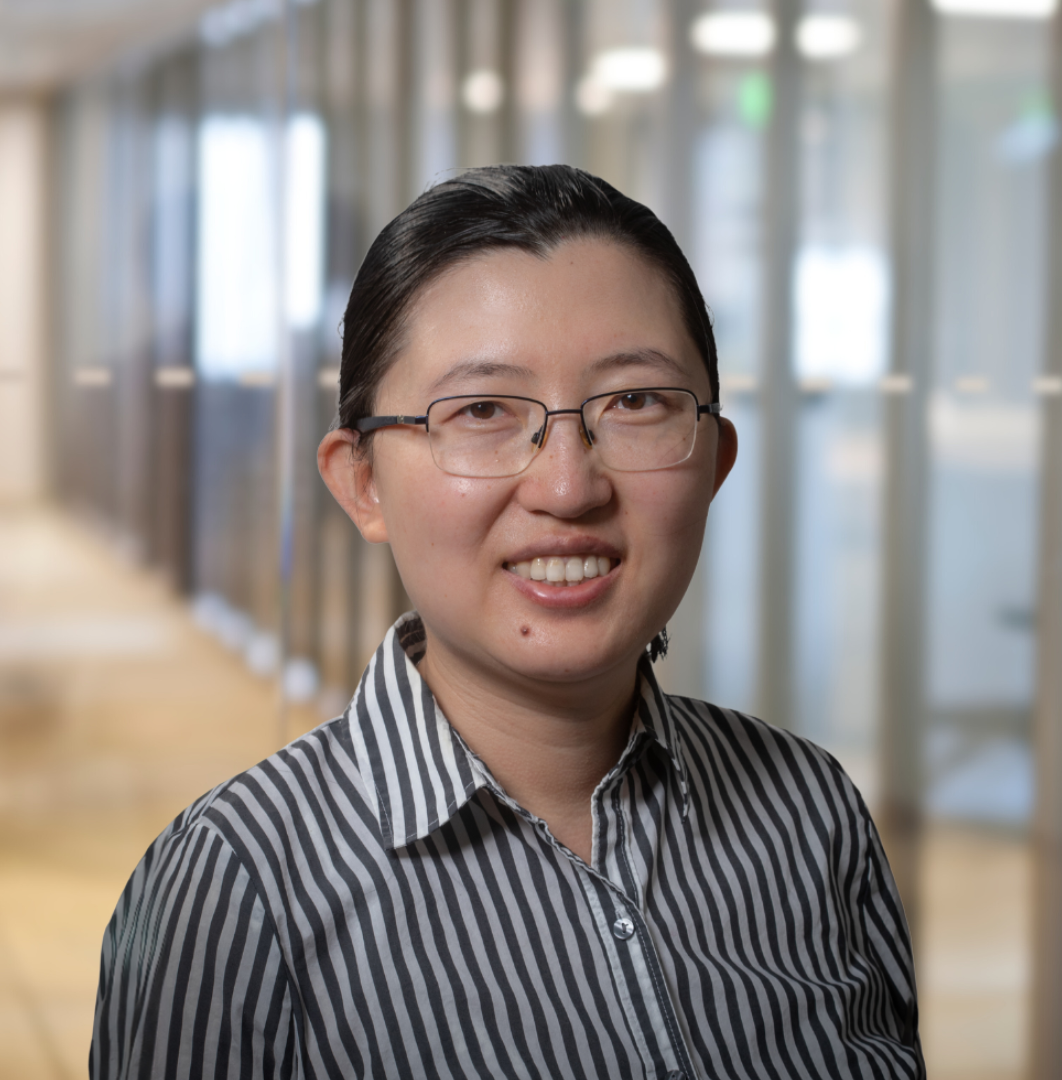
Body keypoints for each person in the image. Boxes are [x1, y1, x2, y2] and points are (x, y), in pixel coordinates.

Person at [91, 164, 924, 1079]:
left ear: (716, 460)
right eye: (482, 410)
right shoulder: (235, 890)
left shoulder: (809, 813)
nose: (569, 486)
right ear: (361, 481)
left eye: (635, 403)